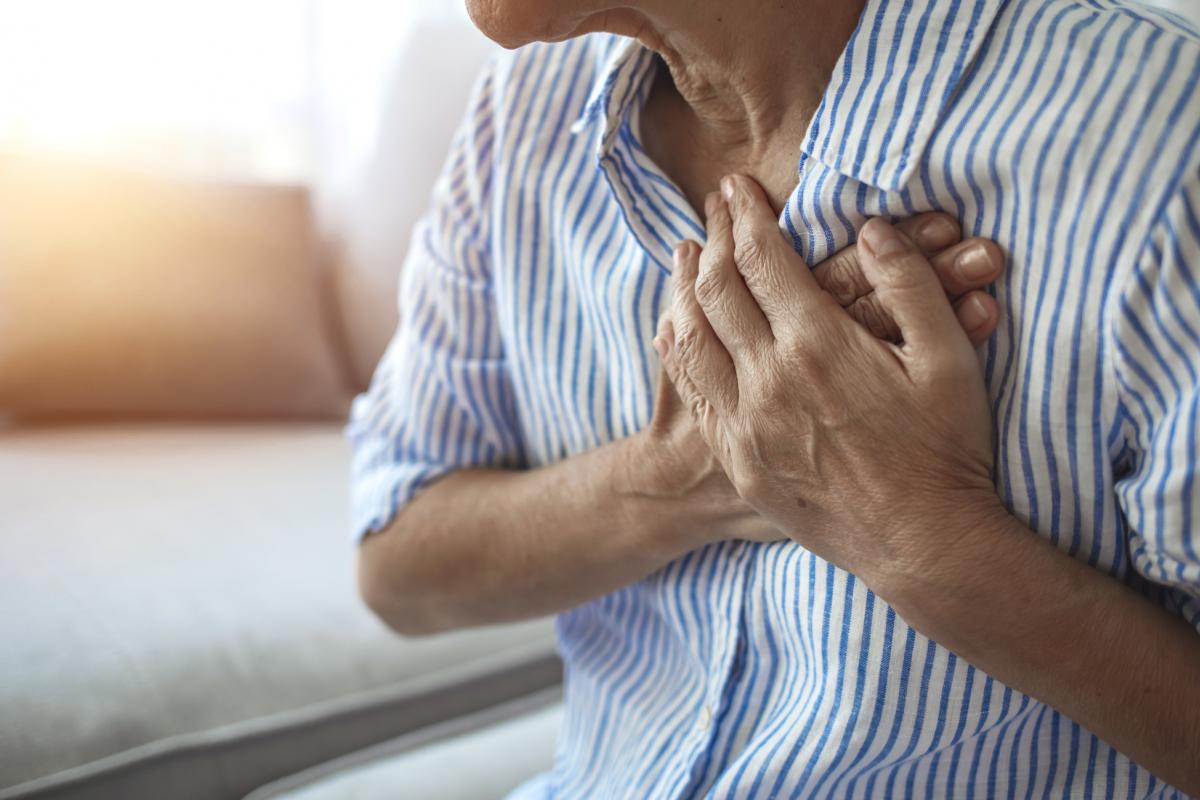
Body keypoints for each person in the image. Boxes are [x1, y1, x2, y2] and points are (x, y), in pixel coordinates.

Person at [348, 0, 1200, 795]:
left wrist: (928, 540)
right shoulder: (521, 109)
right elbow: (398, 562)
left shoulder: (1163, 141)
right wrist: (697, 470)